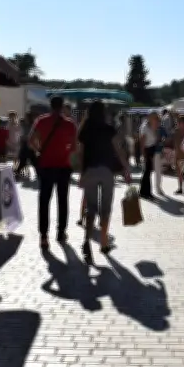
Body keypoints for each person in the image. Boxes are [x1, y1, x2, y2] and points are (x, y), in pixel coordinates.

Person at [77, 100, 131, 264]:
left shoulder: (84, 130)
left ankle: (87, 240)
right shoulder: (109, 130)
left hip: (90, 171)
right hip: (107, 172)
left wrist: (81, 173)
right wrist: (126, 169)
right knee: (105, 208)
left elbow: (80, 153)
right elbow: (119, 150)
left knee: (91, 208)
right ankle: (104, 242)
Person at [29, 96, 78, 249]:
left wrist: (39, 151)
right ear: (62, 107)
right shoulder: (70, 124)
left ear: (50, 106)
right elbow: (75, 147)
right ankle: (61, 232)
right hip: (63, 166)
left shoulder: (41, 120)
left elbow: (31, 140)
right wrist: (66, 151)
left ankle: (44, 236)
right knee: (62, 200)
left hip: (46, 165)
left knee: (44, 201)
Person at [139, 111, 162, 199]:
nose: (157, 121)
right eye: (155, 119)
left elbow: (156, 138)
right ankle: (146, 192)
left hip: (151, 149)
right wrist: (144, 155)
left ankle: (145, 191)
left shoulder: (152, 127)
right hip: (147, 150)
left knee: (148, 172)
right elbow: (142, 142)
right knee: (147, 172)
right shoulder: (145, 128)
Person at [172, 116, 184, 195]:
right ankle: (180, 188)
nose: (178, 124)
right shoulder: (176, 132)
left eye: (180, 122)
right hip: (178, 154)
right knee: (179, 173)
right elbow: (175, 143)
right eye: (178, 122)